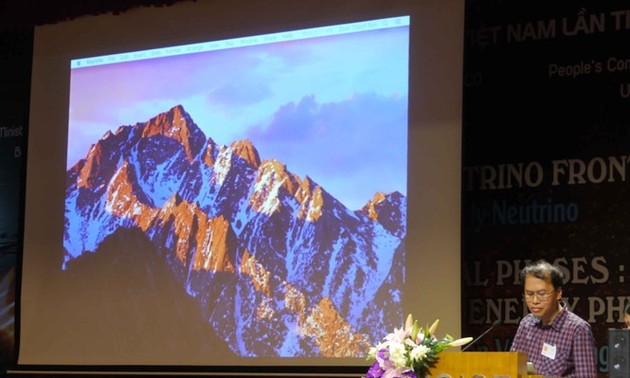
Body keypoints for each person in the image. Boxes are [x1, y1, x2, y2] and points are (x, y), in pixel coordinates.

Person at [510, 259, 597, 378]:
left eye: (542, 294)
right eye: (529, 294)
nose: (535, 301)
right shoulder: (526, 324)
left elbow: (587, 376)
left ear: (558, 293)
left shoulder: (577, 329)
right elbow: (512, 369)